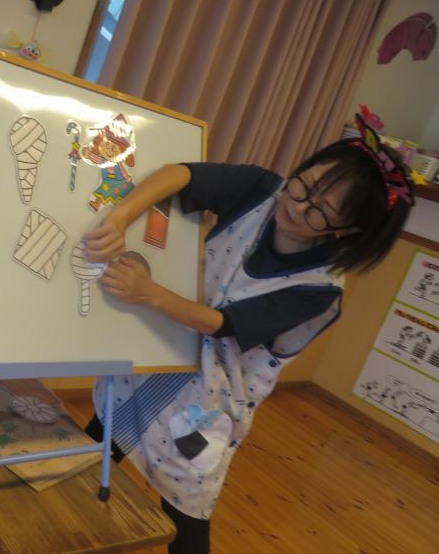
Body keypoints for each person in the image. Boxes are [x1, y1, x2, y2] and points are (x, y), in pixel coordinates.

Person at [82, 115, 414, 554]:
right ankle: (68, 523)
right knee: (100, 440)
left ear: (348, 229)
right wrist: (121, 217)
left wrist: (148, 293)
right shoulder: (262, 190)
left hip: (207, 401)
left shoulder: (320, 289)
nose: (297, 206)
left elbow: (222, 324)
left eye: (320, 212)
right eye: (304, 185)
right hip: (160, 352)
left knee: (186, 504)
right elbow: (182, 174)